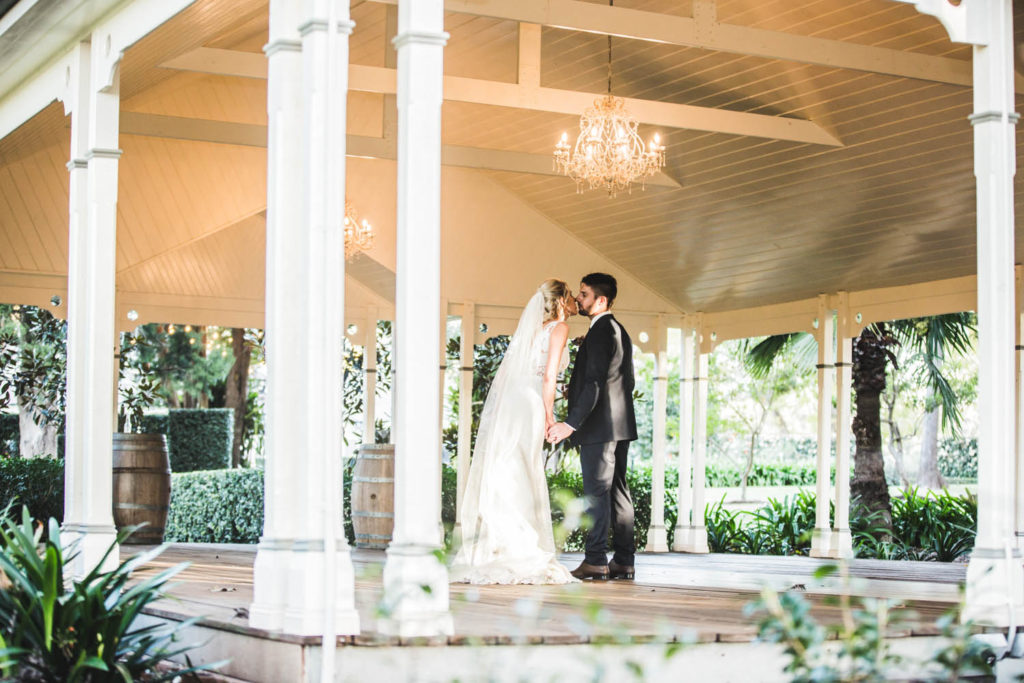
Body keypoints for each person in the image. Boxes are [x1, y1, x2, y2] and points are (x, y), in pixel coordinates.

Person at [450, 279, 579, 584]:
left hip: (513, 401)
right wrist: (550, 415)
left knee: (508, 463)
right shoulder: (560, 329)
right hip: (532, 400)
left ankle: (501, 541)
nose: (575, 300)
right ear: (562, 301)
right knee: (524, 464)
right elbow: (549, 376)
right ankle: (520, 546)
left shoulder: (533, 329)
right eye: (571, 295)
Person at [547, 273, 637, 581]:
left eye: (583, 295)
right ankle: (624, 562)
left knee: (597, 493)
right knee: (619, 494)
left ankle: (596, 560)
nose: (579, 300)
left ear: (601, 300)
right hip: (621, 426)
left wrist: (570, 423)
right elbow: (625, 382)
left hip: (600, 428)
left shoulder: (600, 332)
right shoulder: (619, 331)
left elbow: (597, 382)